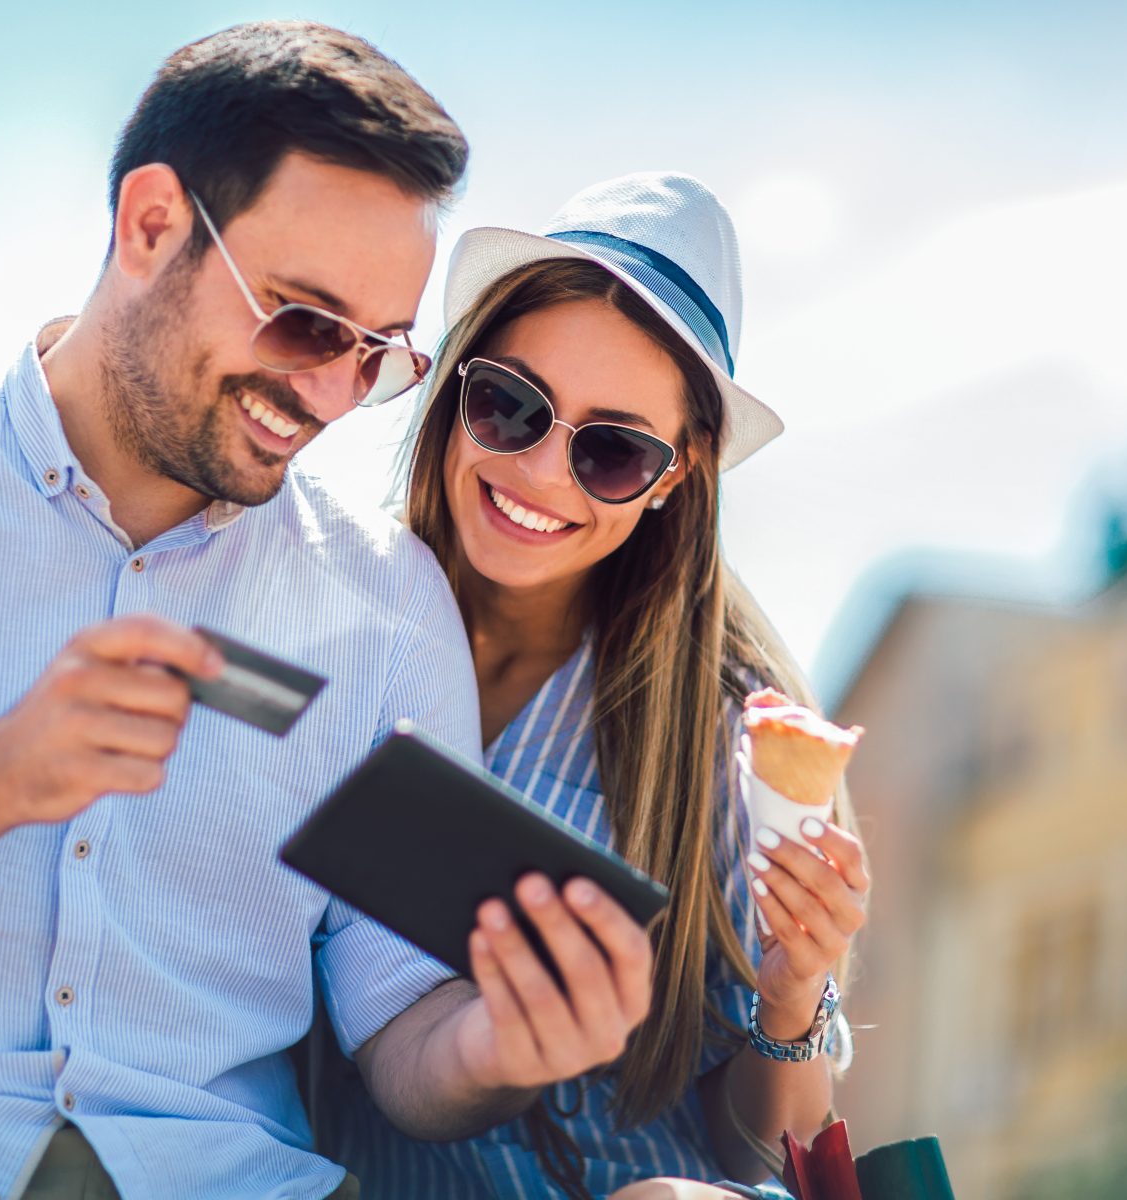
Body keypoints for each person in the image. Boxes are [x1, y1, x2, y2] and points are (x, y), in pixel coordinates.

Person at [0, 23, 655, 1200]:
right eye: (303, 322)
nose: (331, 395)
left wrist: (498, 1050)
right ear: (151, 225)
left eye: (377, 354)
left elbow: (399, 1029)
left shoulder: (385, 603)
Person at [321, 173, 872, 1198]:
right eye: (510, 404)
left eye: (613, 450)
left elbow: (763, 1149)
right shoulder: (323, 628)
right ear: (454, 386)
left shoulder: (728, 729)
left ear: (678, 475)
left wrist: (796, 990)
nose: (541, 473)